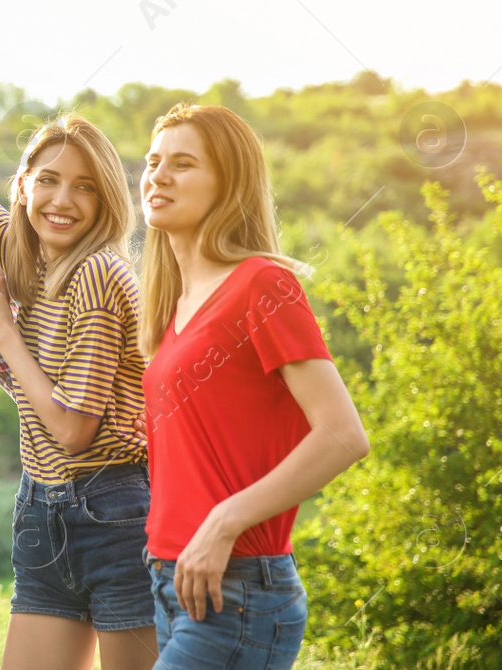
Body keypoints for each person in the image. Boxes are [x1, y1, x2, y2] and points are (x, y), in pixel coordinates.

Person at [136, 103, 370, 667]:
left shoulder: (263, 285)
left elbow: (343, 435)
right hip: (171, 582)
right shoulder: (172, 311)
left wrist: (223, 522)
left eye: (183, 164)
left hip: (237, 590)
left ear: (228, 184)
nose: (158, 176)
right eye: (153, 160)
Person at [0, 113, 158, 670]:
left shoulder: (99, 275)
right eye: (49, 180)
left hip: (114, 511)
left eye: (85, 186)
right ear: (24, 184)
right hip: (42, 506)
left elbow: (71, 430)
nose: (63, 200)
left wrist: (3, 332)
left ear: (107, 200)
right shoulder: (25, 247)